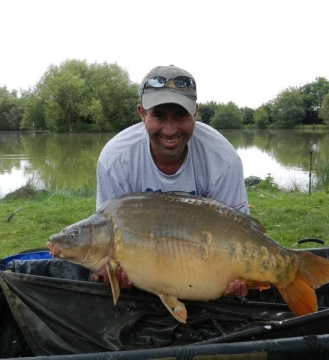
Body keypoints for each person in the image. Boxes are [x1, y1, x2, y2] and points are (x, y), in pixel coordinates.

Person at [96, 65, 249, 297]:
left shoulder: (223, 159)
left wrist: (236, 278)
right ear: (142, 113)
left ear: (195, 113)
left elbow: (240, 230)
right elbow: (108, 230)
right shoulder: (114, 159)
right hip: (144, 279)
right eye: (158, 115)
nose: (169, 130)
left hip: (204, 273)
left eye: (180, 116)